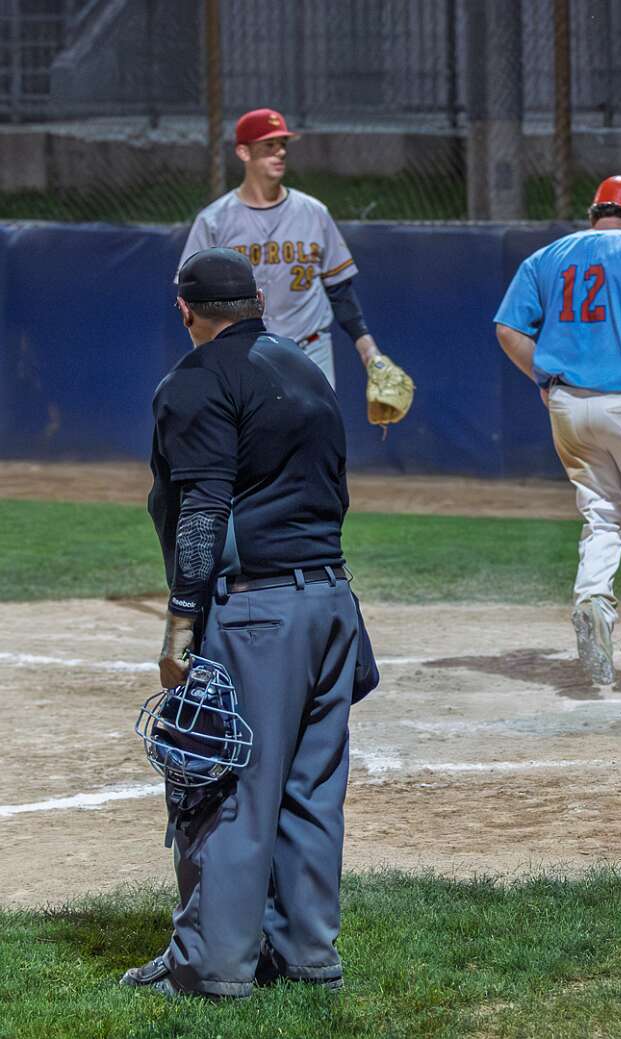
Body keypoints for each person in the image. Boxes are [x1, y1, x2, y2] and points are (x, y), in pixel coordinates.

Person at [122, 247, 359, 998]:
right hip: (332, 604)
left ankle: (213, 968)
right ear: (258, 303)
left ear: (185, 309)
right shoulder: (304, 368)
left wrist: (181, 623)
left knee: (225, 785)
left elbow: (202, 509)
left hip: (258, 613)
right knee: (309, 787)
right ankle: (306, 956)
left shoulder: (196, 379)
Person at [494, 175, 621, 683]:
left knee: (602, 512)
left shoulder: (545, 256)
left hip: (567, 405)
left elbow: (508, 329)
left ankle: (592, 600)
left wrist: (543, 378)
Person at [179, 107, 386, 389]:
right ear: (243, 152)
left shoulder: (314, 212)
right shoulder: (214, 220)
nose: (280, 152)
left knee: (317, 419)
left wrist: (369, 352)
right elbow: (192, 298)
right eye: (269, 145)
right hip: (243, 354)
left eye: (283, 144)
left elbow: (339, 289)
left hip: (310, 348)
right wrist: (207, 357)